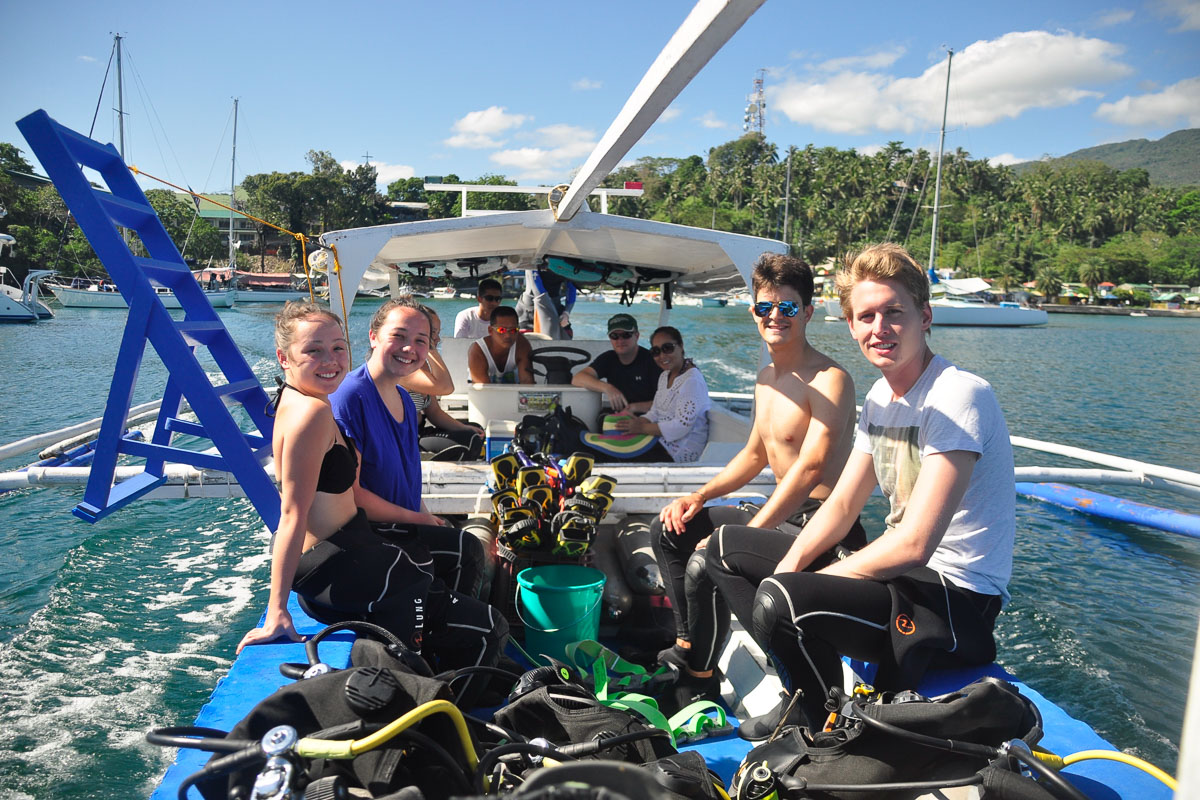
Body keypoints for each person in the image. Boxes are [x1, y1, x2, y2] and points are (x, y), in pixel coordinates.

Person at [713, 243, 1015, 739]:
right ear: (850, 326)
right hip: (904, 580)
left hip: (957, 599)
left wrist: (814, 578)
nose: (880, 329)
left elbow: (917, 544)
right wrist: (790, 569)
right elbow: (843, 503)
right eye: (866, 316)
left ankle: (819, 725)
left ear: (925, 317)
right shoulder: (880, 397)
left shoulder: (958, 395)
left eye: (894, 313)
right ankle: (810, 692)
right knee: (726, 551)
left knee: (781, 600)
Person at [650, 254, 864, 712]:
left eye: (788, 308)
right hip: (781, 515)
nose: (775, 317)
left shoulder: (830, 380)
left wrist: (753, 529)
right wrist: (698, 495)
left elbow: (810, 470)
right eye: (766, 307)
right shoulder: (767, 377)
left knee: (710, 556)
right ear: (753, 312)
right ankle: (689, 652)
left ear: (807, 312)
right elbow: (753, 454)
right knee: (669, 529)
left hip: (822, 526)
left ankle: (738, 681)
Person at [328, 297, 508, 706]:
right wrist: (417, 518)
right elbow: (353, 496)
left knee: (462, 547)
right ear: (373, 337)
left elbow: (406, 475)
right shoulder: (351, 398)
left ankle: (438, 637)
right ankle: (437, 659)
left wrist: (426, 515)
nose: (410, 348)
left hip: (402, 522)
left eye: (421, 340)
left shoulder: (403, 399)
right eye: (399, 336)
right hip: (372, 535)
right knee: (466, 560)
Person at [611, 326, 709, 463]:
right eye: (656, 351)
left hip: (679, 452)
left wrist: (641, 428)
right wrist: (638, 422)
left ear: (681, 346)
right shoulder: (664, 376)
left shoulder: (692, 380)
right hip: (660, 440)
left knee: (616, 455)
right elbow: (655, 412)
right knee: (613, 439)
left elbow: (681, 427)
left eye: (667, 348)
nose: (662, 356)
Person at [406, 305, 483, 458]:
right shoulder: (404, 368)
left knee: (475, 430)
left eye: (437, 333)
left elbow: (434, 412)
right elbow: (445, 387)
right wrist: (430, 348)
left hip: (421, 430)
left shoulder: (423, 365)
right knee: (468, 443)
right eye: (433, 332)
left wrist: (464, 427)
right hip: (408, 439)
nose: (438, 338)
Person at [571, 313, 661, 413]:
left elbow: (666, 403)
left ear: (637, 336)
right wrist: (608, 388)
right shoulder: (609, 358)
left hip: (650, 420)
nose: (620, 340)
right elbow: (578, 378)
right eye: (614, 336)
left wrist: (633, 408)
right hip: (620, 418)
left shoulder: (652, 361)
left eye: (626, 335)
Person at [467, 305, 534, 384]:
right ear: (490, 330)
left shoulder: (522, 345)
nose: (508, 335)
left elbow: (527, 383)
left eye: (513, 330)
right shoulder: (478, 351)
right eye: (501, 330)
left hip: (512, 394)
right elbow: (484, 391)